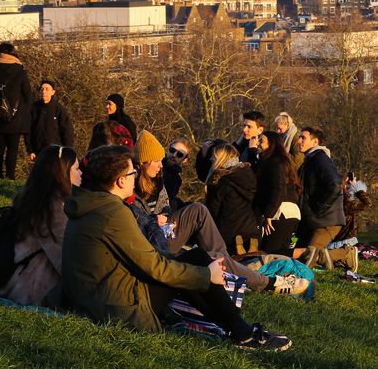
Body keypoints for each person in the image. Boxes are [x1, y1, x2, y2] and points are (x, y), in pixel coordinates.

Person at [53, 144, 291, 349]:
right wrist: (206, 275)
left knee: (190, 260)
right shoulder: (113, 212)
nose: (136, 176)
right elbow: (155, 267)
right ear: (120, 180)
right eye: (133, 172)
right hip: (113, 309)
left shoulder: (88, 205)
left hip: (95, 299)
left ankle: (238, 329)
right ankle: (244, 334)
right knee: (196, 261)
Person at [129, 131, 303, 296]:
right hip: (151, 242)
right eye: (157, 160)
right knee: (211, 248)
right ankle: (266, 283)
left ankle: (257, 281)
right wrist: (155, 220)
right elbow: (131, 219)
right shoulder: (131, 184)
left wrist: (166, 217)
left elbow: (173, 207)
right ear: (144, 162)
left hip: (222, 234)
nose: (162, 164)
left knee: (204, 223)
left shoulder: (161, 181)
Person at [0, 145, 79, 306]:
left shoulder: (37, 199)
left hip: (15, 283)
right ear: (63, 173)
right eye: (76, 169)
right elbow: (65, 260)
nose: (81, 173)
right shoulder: (53, 208)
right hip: (29, 292)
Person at [294, 126, 346, 268]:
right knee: (296, 256)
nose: (299, 141)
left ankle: (346, 253)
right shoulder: (309, 161)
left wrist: (319, 207)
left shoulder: (320, 159)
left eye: (303, 138)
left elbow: (335, 185)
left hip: (327, 220)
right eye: (299, 137)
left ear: (315, 141)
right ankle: (333, 257)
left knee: (307, 260)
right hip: (314, 221)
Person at [204, 142, 261, 256]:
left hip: (228, 229)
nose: (211, 159)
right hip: (250, 227)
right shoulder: (248, 174)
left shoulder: (220, 180)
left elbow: (213, 209)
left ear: (222, 159)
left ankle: (237, 245)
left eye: (214, 157)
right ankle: (249, 244)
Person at [0, 42, 32, 179]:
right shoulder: (19, 71)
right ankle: (10, 177)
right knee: (12, 148)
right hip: (15, 116)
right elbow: (27, 93)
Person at [253, 130, 302, 255]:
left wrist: (269, 215)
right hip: (285, 211)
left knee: (272, 251)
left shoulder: (275, 163)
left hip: (281, 212)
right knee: (277, 250)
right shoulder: (277, 162)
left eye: (261, 141)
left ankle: (312, 254)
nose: (257, 143)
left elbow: (278, 189)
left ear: (272, 144)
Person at [28, 79, 75, 160]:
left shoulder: (59, 109)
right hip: (38, 152)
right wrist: (30, 150)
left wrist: (67, 150)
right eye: (42, 89)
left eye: (47, 89)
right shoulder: (34, 108)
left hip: (56, 152)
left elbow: (67, 130)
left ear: (53, 92)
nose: (44, 92)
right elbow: (28, 130)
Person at [161, 138, 190, 209]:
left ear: (185, 160)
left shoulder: (177, 180)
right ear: (168, 150)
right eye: (172, 150)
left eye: (179, 154)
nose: (174, 155)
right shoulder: (155, 165)